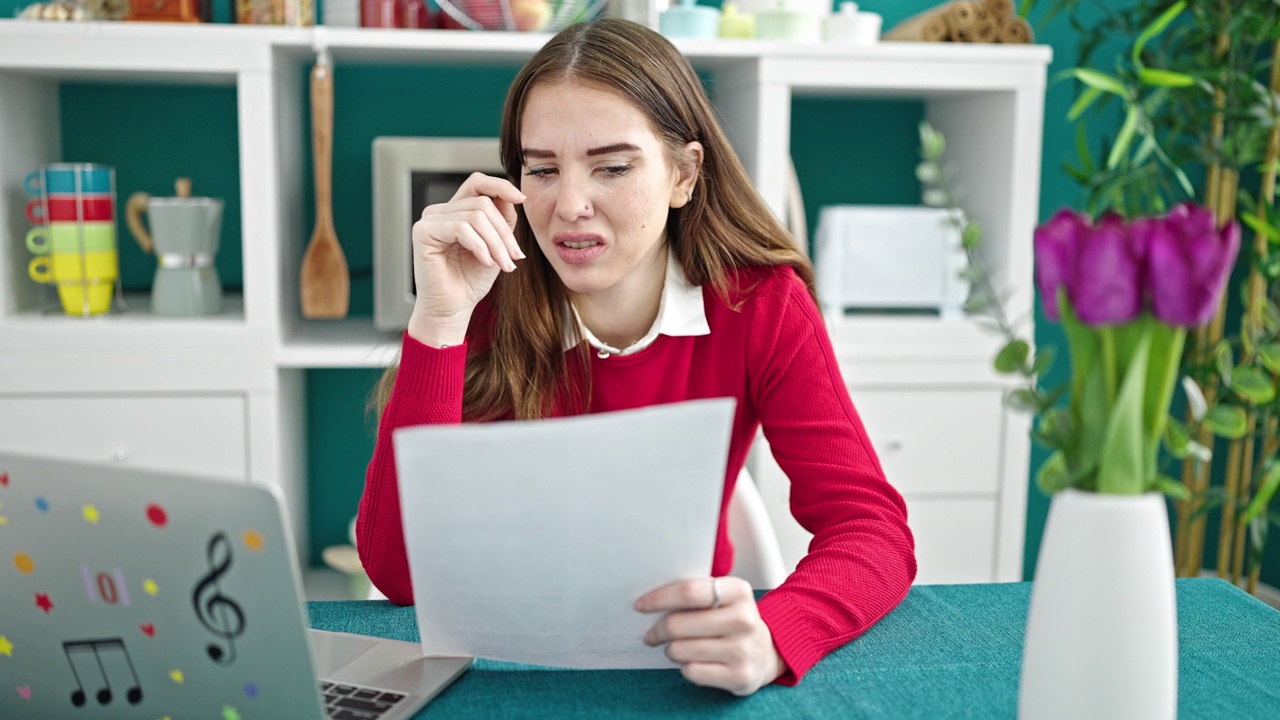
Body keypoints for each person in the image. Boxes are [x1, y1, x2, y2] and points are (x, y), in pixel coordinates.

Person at [359, 18, 915, 696]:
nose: (569, 206)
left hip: (676, 664)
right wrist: (439, 321)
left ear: (684, 174)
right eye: (541, 170)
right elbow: (397, 573)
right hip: (497, 670)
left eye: (612, 167)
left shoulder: (761, 305)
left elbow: (871, 529)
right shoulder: (481, 297)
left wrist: (776, 632)